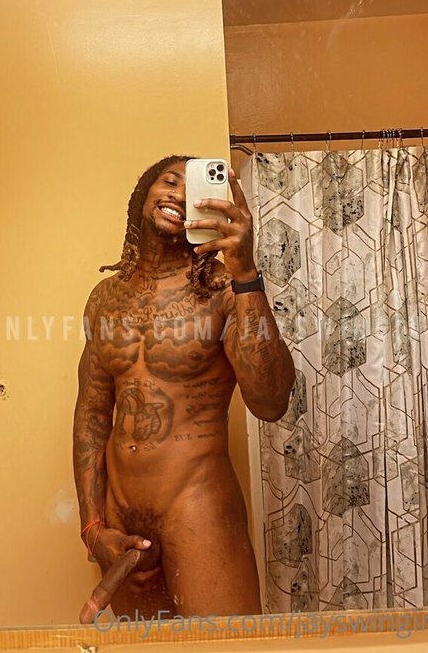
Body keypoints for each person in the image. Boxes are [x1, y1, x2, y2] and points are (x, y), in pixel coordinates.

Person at [73, 154, 295, 621]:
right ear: (143, 195)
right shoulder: (105, 298)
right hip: (120, 515)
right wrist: (92, 527)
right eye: (168, 181)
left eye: (191, 190)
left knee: (227, 652)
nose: (176, 193)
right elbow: (92, 416)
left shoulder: (224, 290)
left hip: (197, 508)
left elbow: (271, 401)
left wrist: (246, 274)